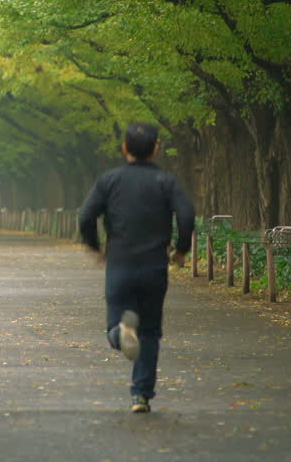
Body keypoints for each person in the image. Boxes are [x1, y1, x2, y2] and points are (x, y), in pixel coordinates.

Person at [78, 122, 194, 414]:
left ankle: (120, 333)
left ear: (125, 148)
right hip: (154, 266)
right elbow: (187, 214)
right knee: (151, 331)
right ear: (156, 149)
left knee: (117, 323)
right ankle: (140, 395)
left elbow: (86, 215)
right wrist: (180, 250)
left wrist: (95, 246)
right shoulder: (166, 182)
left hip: (120, 264)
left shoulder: (110, 180)